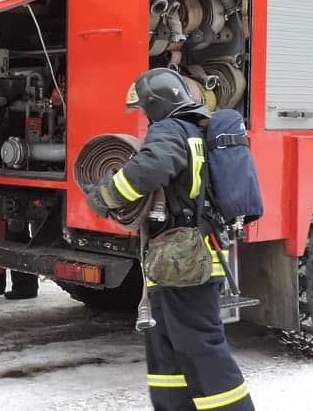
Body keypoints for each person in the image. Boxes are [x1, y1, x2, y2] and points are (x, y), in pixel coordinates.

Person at [83, 68, 253, 411]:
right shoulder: (193, 129)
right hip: (176, 257)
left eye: (144, 108)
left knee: (199, 345)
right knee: (164, 343)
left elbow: (152, 168)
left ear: (156, 104)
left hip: (186, 258)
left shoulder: (170, 129)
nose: (144, 116)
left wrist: (105, 195)